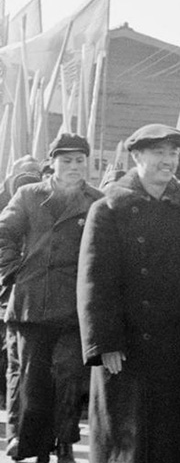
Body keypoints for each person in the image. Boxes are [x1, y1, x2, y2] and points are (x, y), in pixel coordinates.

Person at [77, 124, 180, 463]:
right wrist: (105, 343)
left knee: (172, 443)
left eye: (173, 153)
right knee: (127, 443)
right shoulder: (108, 209)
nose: (168, 161)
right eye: (159, 153)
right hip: (126, 348)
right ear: (137, 156)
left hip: (178, 346)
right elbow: (94, 281)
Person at [0, 135, 99, 463]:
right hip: (32, 303)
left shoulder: (96, 202)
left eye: (80, 160)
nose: (74, 167)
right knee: (33, 379)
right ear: (52, 163)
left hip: (74, 305)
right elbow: (4, 234)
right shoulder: (29, 195)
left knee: (69, 376)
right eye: (66, 160)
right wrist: (12, 273)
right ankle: (34, 446)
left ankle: (65, 441)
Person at [1, 171, 41, 458]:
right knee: (18, 369)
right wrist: (13, 271)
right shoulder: (20, 208)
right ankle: (17, 434)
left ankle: (54, 438)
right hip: (17, 299)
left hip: (44, 300)